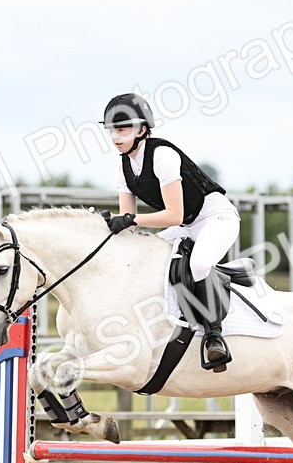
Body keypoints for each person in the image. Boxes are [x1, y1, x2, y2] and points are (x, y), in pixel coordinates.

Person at [99, 93, 240, 372]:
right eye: (112, 130)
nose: (116, 136)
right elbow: (129, 221)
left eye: (123, 128)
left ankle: (214, 336)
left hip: (215, 217)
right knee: (144, 258)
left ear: (142, 130)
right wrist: (114, 225)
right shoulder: (122, 167)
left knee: (199, 263)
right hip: (185, 224)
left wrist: (130, 220)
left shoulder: (162, 155)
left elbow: (171, 215)